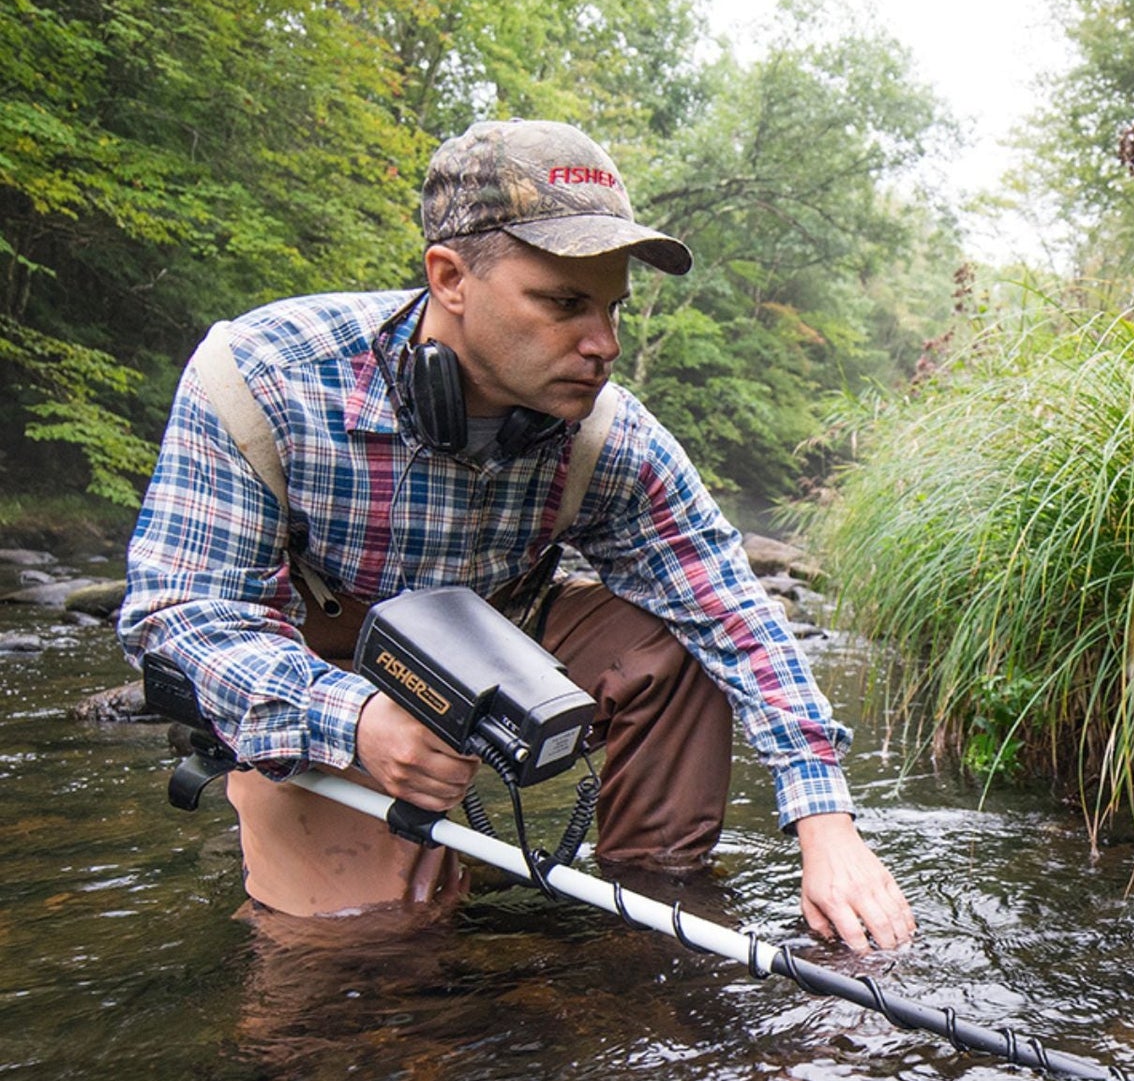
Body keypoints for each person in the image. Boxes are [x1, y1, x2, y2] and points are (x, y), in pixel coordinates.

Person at [119, 118, 915, 952]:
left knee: (678, 642)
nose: (604, 343)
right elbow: (176, 617)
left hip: (497, 645)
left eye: (612, 308)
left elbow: (733, 613)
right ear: (450, 276)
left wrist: (826, 823)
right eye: (565, 303)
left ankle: (649, 918)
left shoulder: (610, 440)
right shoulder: (262, 380)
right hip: (321, 676)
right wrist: (353, 721)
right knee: (372, 943)